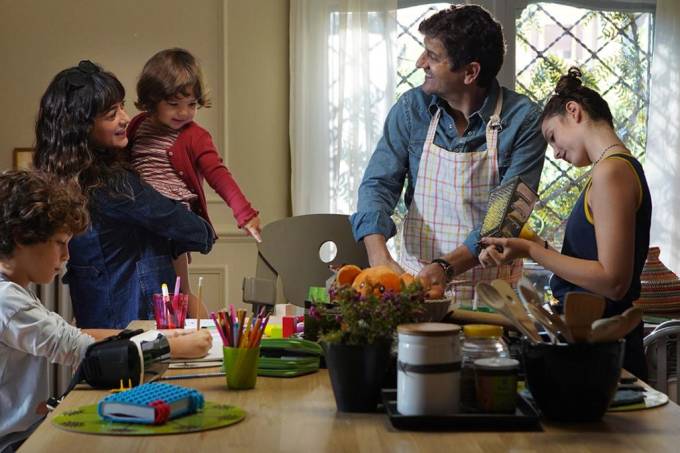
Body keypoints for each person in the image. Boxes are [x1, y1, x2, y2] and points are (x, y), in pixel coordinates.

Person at [0, 170, 212, 453]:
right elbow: (81, 348)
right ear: (20, 237)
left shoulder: (12, 291)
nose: (66, 257)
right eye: (60, 243)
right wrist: (171, 346)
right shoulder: (7, 301)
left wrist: (154, 333)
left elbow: (74, 334)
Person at [350, 4, 547, 303]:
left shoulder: (524, 120)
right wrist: (380, 258)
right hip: (417, 285)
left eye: (433, 56)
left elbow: (503, 218)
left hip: (492, 297)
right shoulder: (411, 109)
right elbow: (378, 184)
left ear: (470, 72)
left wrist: (445, 267)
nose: (420, 63)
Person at [479, 67, 651, 380]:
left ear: (573, 111)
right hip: (595, 346)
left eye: (553, 137)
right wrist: (534, 247)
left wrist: (533, 251)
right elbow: (593, 266)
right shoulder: (615, 169)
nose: (556, 153)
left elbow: (613, 281)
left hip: (605, 351)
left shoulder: (610, 173)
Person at [33, 60, 216, 329]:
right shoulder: (115, 186)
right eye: (111, 114)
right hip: (133, 323)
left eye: (122, 106)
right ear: (82, 128)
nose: (125, 118)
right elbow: (198, 234)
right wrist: (202, 229)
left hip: (96, 316)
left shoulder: (63, 177)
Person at [128, 48, 261, 307]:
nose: (184, 113)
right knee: (145, 285)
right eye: (174, 104)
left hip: (174, 216)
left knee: (181, 291)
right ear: (152, 100)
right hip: (141, 214)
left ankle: (203, 333)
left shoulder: (195, 136)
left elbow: (219, 175)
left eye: (192, 104)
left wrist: (244, 213)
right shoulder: (137, 126)